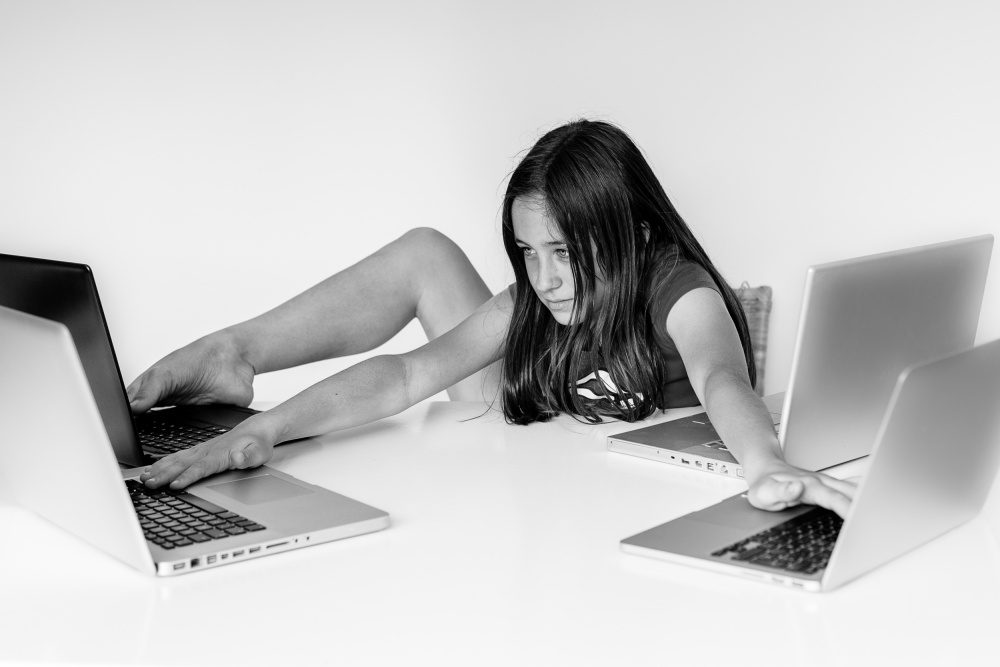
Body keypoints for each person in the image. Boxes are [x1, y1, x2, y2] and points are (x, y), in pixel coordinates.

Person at [132, 120, 856, 517]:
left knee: (428, 257)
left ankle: (235, 355)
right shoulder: (533, 300)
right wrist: (265, 429)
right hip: (535, 447)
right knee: (425, 252)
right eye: (527, 252)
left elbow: (724, 378)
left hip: (630, 497)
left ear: (633, 236)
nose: (544, 279)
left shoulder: (677, 287)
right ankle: (236, 355)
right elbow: (408, 375)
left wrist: (766, 464)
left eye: (566, 252)